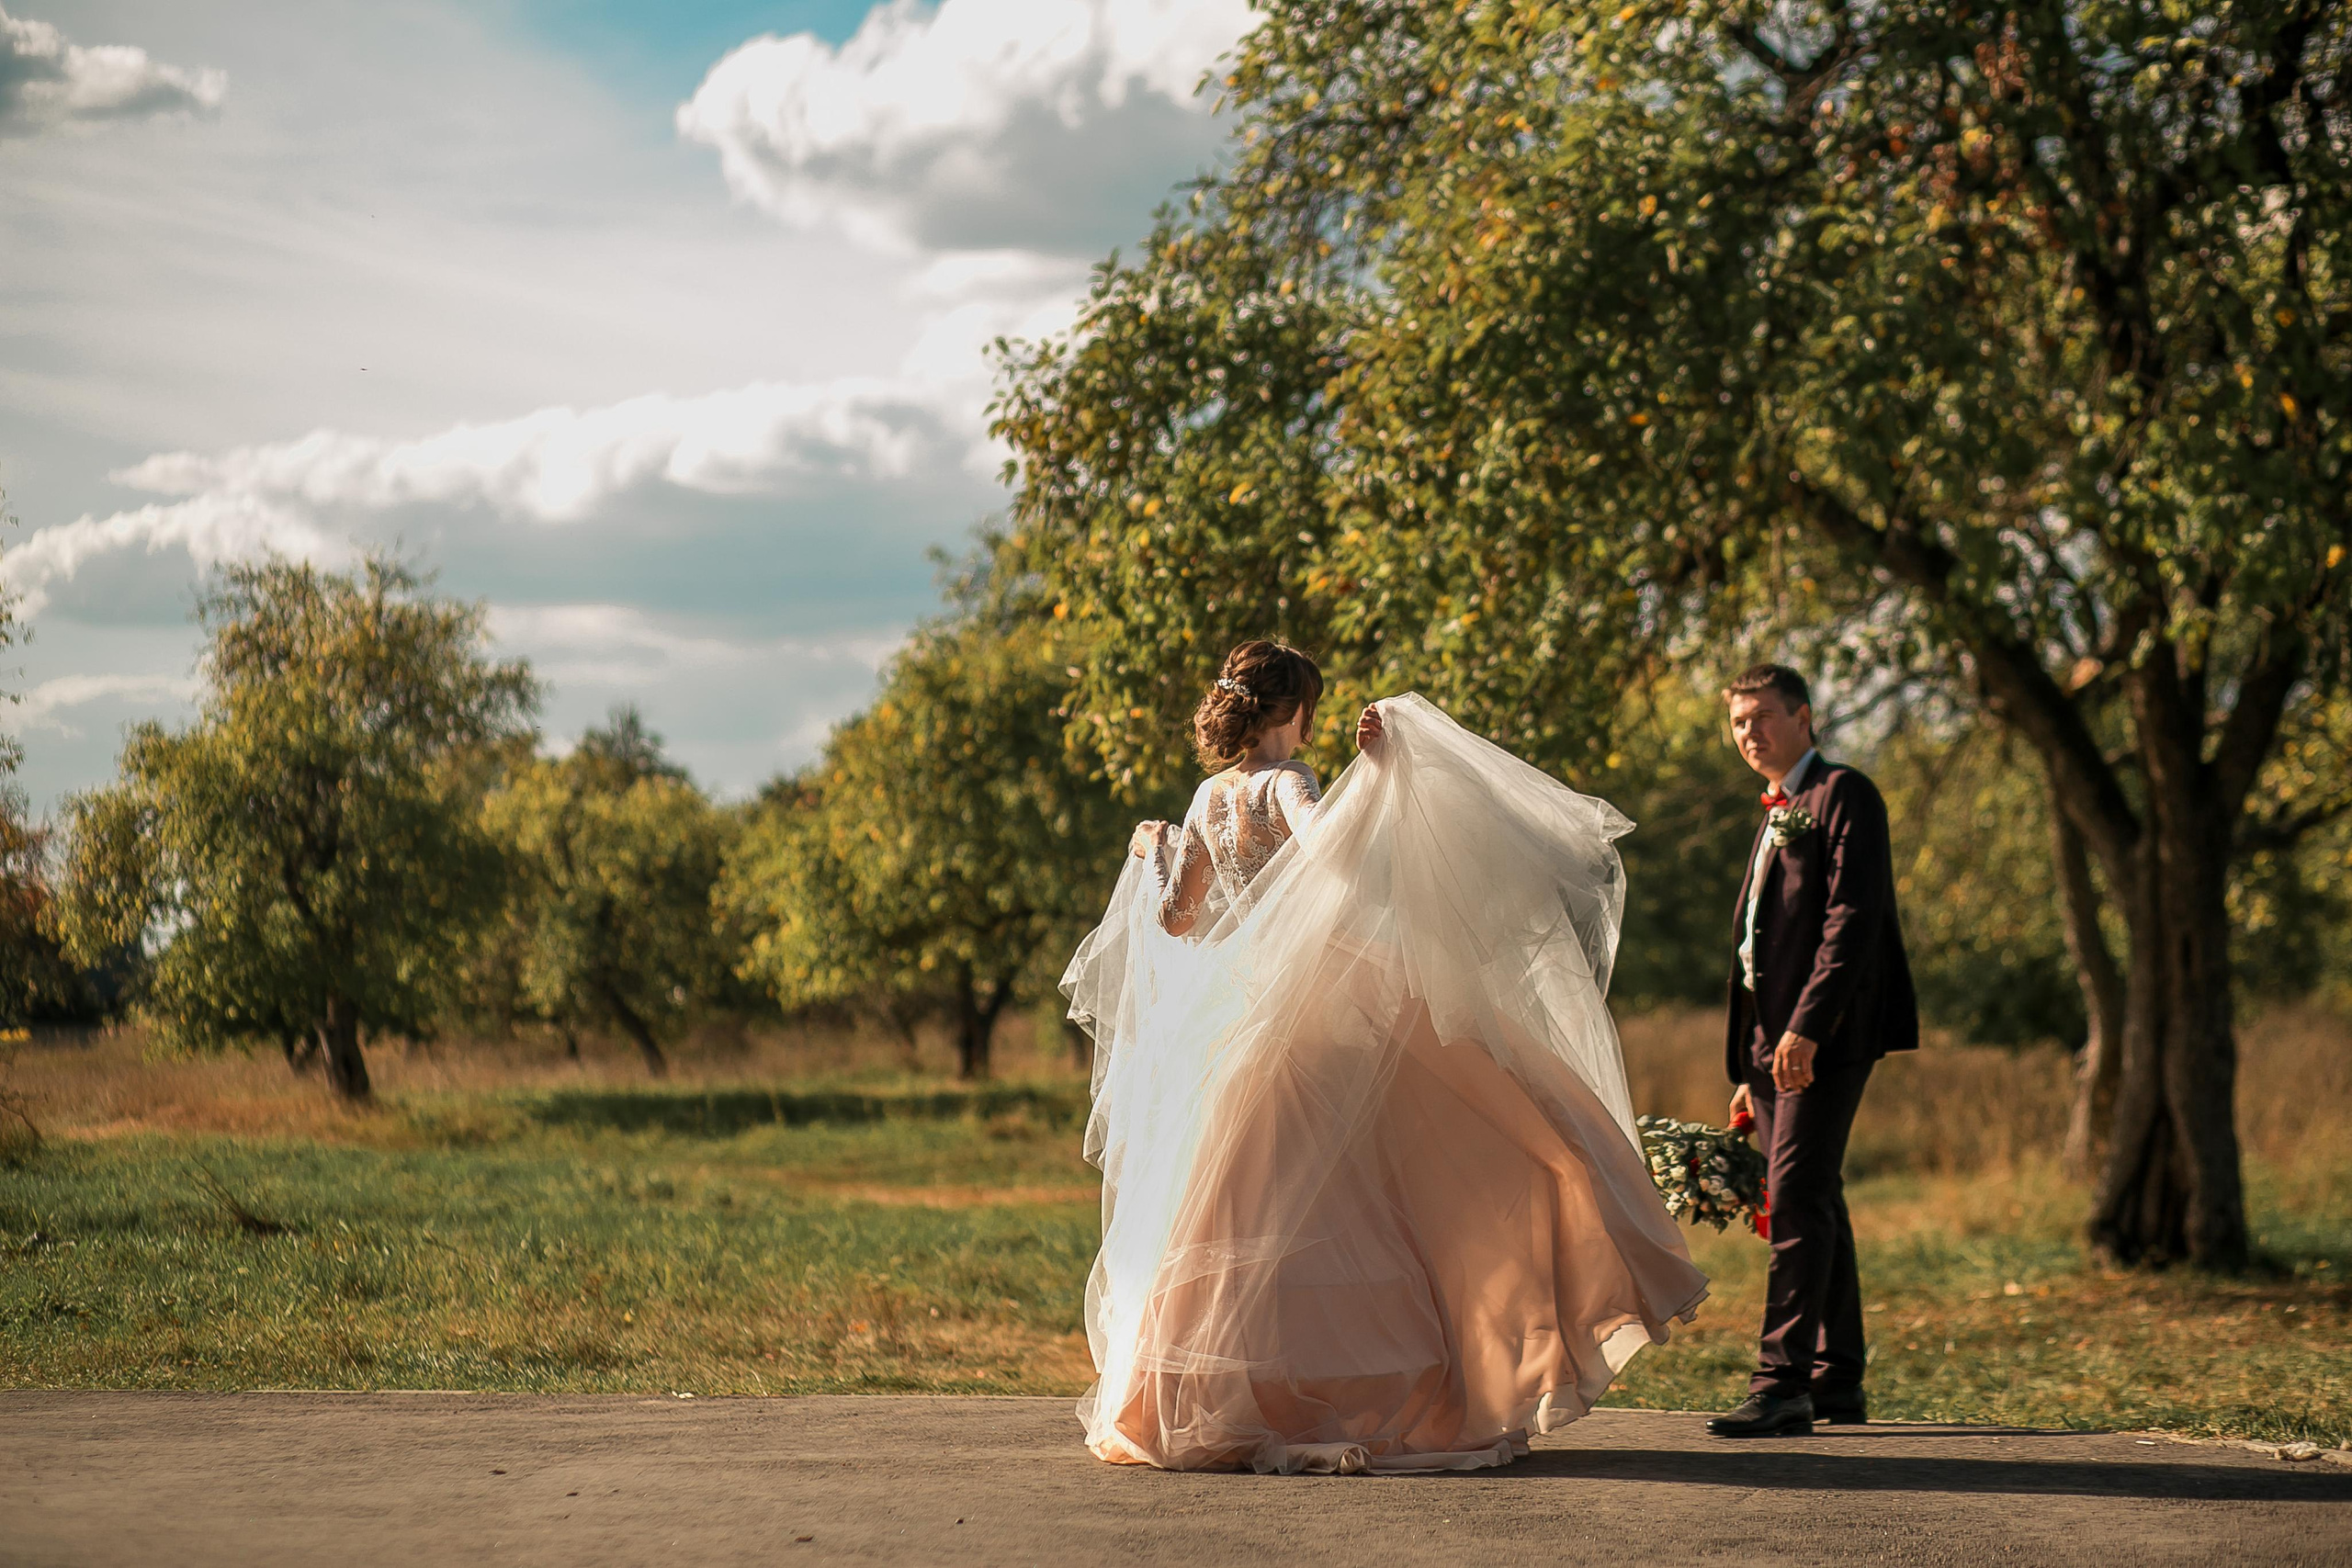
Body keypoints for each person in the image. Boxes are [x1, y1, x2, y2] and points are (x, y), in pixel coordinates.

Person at [1062, 639, 1708, 1473]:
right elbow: (1333, 855)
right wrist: (1377, 775)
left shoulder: (1207, 795)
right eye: (1312, 708)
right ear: (1296, 710)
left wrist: (1157, 851)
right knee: (1407, 1163)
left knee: (1242, 1204)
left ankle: (1216, 1395)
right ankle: (1362, 1392)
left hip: (1233, 1013)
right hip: (1314, 1009)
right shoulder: (1287, 782)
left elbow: (1179, 920)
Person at [1706, 664, 1917, 1438]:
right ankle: (1836, 1378)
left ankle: (1781, 1382)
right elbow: (1759, 945)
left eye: (1763, 715)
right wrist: (1750, 1062)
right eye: (1739, 721)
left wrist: (1806, 1030)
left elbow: (1851, 919)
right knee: (1815, 1193)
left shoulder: (1844, 793)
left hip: (1826, 1035)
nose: (1750, 732)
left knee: (1794, 1196)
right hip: (1773, 1044)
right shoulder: (1776, 810)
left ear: (1803, 717)